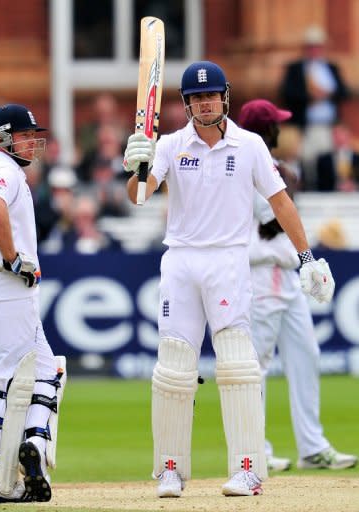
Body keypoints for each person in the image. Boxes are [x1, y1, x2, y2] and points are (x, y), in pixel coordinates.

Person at [123, 61, 335, 498]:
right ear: (186, 104)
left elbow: (280, 202)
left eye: (211, 95)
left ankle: (247, 468)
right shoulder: (169, 145)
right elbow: (140, 196)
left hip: (229, 261)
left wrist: (307, 257)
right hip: (181, 261)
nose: (204, 103)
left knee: (238, 365)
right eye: (196, 98)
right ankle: (170, 469)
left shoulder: (251, 145)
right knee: (173, 368)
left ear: (225, 97)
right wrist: (138, 166)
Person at [238, 98, 357, 472]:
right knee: (255, 365)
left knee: (307, 354)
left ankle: (312, 446)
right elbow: (270, 216)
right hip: (260, 271)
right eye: (276, 125)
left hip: (285, 273)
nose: (282, 131)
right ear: (265, 130)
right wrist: (285, 185)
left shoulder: (271, 167)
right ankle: (255, 446)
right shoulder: (247, 164)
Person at [0, 104, 62, 503]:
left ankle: (34, 446)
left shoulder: (2, 172)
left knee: (48, 370)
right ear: (2, 138)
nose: (31, 141)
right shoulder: (4, 172)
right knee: (6, 379)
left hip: (4, 291)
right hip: (6, 287)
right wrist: (13, 258)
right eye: (24, 135)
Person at [279, 25, 351, 188]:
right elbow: (287, 93)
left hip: (328, 126)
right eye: (311, 47)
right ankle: (307, 188)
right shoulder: (295, 69)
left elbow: (344, 92)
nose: (314, 50)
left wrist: (327, 94)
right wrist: (310, 96)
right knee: (306, 160)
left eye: (317, 46)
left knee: (328, 161)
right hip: (305, 127)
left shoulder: (331, 67)